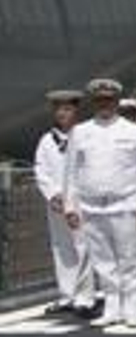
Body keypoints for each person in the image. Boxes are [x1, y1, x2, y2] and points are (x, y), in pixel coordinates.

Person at [62, 79, 136, 328]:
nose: (104, 104)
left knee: (129, 257)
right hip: (91, 205)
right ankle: (112, 304)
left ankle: (132, 305)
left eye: (109, 100)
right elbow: (71, 173)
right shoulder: (81, 132)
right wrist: (70, 206)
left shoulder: (134, 131)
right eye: (100, 100)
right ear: (93, 102)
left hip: (125, 202)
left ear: (117, 101)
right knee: (102, 260)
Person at [34, 88, 94, 313]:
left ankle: (85, 296)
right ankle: (67, 293)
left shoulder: (86, 136)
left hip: (80, 200)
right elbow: (41, 170)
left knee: (82, 246)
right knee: (61, 247)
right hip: (57, 202)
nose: (62, 114)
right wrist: (52, 194)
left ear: (76, 111)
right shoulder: (46, 140)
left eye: (67, 109)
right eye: (59, 110)